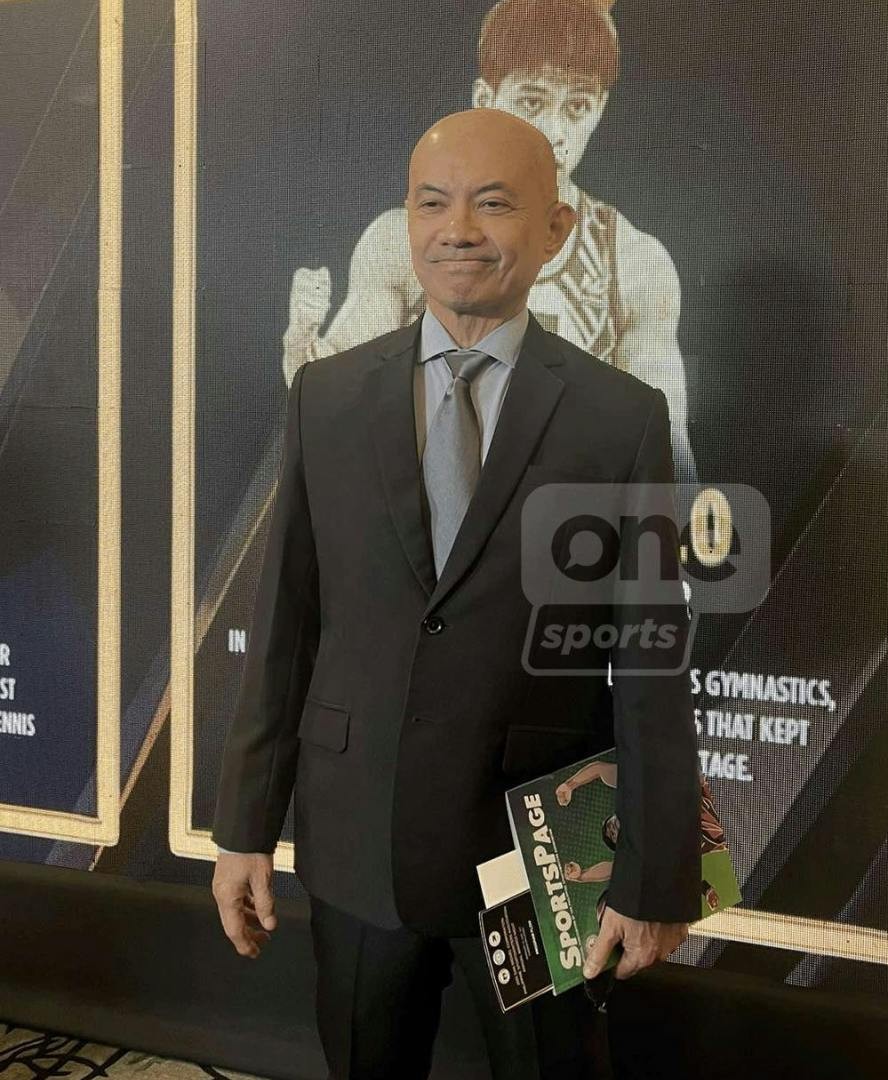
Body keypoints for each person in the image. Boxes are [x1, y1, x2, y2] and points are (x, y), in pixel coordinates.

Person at [211, 108, 700, 1079]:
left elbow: (651, 666)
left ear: (555, 229)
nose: (458, 230)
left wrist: (657, 872)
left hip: (543, 846)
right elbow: (285, 629)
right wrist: (244, 826)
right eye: (432, 203)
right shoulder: (327, 398)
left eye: (494, 204)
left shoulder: (622, 418)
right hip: (358, 833)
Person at [281, 0, 697, 484]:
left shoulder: (633, 262)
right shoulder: (402, 242)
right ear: (485, 99)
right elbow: (341, 403)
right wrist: (303, 348)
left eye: (578, 107)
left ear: (600, 109)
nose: (555, 133)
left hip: (566, 522)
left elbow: (667, 450)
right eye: (531, 103)